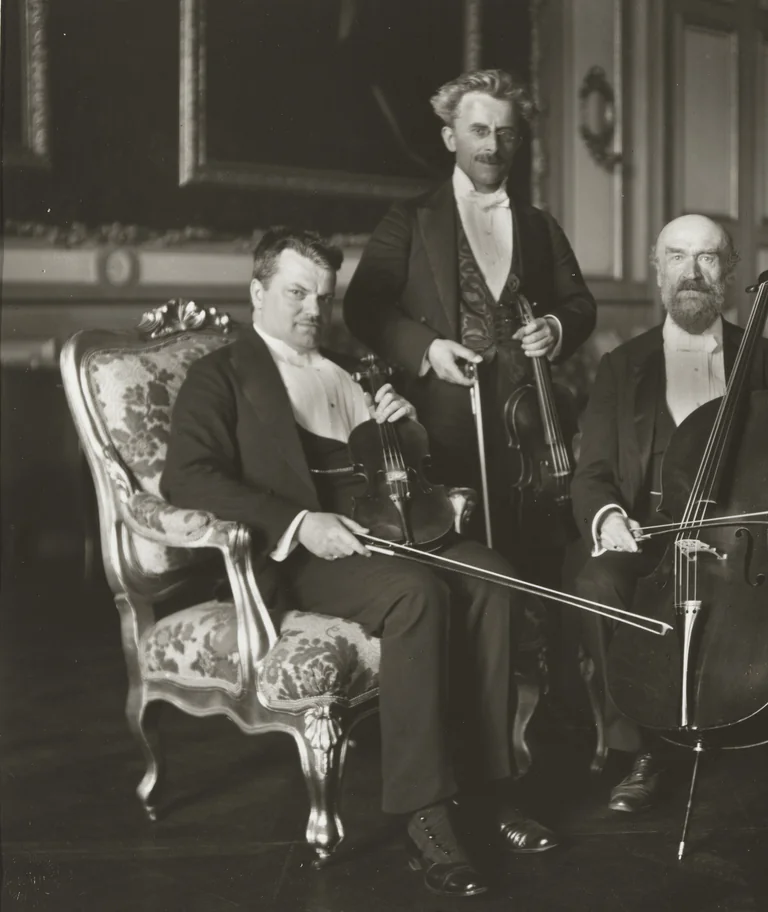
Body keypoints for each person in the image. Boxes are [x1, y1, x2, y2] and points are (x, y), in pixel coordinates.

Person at [161, 228, 558, 900]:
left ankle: (490, 790)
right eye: (297, 293)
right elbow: (187, 477)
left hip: (389, 531)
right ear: (257, 292)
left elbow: (395, 473)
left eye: (323, 297)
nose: (313, 309)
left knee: (495, 576)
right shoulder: (220, 374)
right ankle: (424, 816)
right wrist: (299, 523)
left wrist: (401, 428)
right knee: (416, 593)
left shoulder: (353, 370)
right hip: (306, 553)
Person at [570, 214, 768, 833]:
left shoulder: (767, 358)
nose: (692, 272)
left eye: (707, 258)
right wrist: (608, 518)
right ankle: (644, 748)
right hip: (655, 531)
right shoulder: (621, 365)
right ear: (658, 271)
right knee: (598, 584)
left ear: (730, 273)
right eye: (677, 257)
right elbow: (594, 473)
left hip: (751, 531)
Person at [343, 68, 596, 580]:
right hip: (440, 424)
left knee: (537, 557)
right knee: (463, 563)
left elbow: (580, 305)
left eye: (505, 133)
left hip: (529, 425)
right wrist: (429, 348)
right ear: (449, 137)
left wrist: (554, 326)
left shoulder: (540, 226)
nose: (492, 146)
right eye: (479, 131)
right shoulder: (409, 219)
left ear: (517, 142)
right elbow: (363, 307)